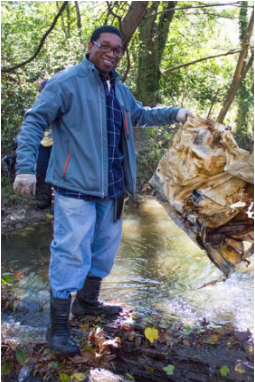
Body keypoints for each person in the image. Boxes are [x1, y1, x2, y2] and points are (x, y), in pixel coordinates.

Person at [13, 26, 193, 356]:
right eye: (105, 46)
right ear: (90, 46)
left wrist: (177, 114)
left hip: (113, 189)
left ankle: (87, 302)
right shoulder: (66, 82)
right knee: (70, 251)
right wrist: (26, 168)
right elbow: (34, 121)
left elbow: (140, 114)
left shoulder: (119, 89)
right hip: (75, 187)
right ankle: (58, 327)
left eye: (117, 50)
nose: (111, 53)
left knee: (104, 249)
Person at [35, 80, 53, 209]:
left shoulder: (57, 102)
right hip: (42, 143)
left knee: (57, 173)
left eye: (42, 91)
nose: (40, 93)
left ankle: (59, 202)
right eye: (39, 91)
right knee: (41, 170)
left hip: (56, 144)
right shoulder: (38, 104)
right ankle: (45, 200)